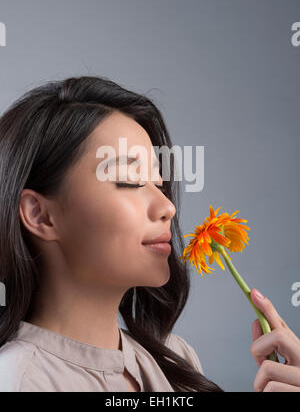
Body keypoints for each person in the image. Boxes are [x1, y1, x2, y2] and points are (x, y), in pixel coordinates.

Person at [0, 76, 299, 392]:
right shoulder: (20, 381)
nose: (168, 207)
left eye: (158, 184)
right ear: (40, 215)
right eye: (130, 182)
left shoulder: (176, 361)